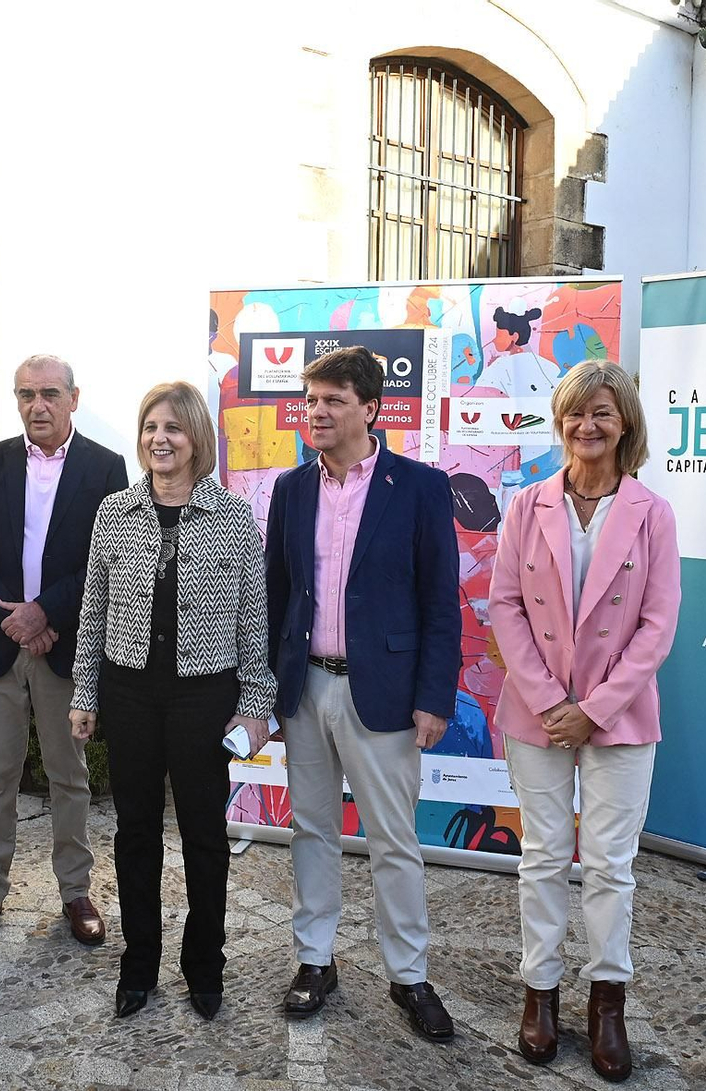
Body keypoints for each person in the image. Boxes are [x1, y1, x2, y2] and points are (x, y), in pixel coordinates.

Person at [488, 360, 680, 1082]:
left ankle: (607, 1004)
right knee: (541, 856)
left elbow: (658, 624)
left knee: (609, 865)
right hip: (537, 713)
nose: (586, 425)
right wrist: (548, 701)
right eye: (575, 412)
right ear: (560, 420)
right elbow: (504, 604)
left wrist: (593, 709)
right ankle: (540, 992)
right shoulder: (527, 504)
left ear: (624, 420)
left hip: (620, 718)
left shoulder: (651, 512)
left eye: (601, 412)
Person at [263, 346, 462, 1039]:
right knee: (312, 828)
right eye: (310, 400)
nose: (316, 412)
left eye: (332, 401)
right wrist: (271, 689)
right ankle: (315, 960)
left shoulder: (420, 487)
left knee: (393, 840)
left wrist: (435, 695)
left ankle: (409, 976)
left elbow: (442, 600)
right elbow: (278, 593)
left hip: (384, 692)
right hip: (307, 685)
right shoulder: (292, 489)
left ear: (370, 409)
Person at [69, 381, 275, 1022]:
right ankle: (139, 967)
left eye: (173, 429)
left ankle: (204, 969)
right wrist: (85, 693)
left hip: (202, 697)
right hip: (129, 692)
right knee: (134, 835)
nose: (160, 439)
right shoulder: (115, 512)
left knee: (205, 838)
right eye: (150, 427)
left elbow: (253, 623)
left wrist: (255, 704)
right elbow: (93, 610)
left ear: (197, 440)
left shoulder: (235, 517)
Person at [0, 355, 127, 946]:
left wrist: (45, 612)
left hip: (64, 645)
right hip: (0, 642)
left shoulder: (105, 468)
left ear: (74, 398)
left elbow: (109, 558)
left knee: (68, 774)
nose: (37, 405)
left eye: (50, 393)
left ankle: (76, 890)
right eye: (26, 394)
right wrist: (16, 617)